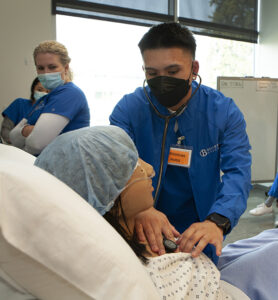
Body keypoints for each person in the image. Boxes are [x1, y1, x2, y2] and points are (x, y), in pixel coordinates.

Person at [35, 126, 278, 300]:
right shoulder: (121, 268)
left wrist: (217, 221)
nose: (149, 168)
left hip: (215, 273)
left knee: (269, 238)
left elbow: (238, 168)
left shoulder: (124, 230)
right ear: (104, 187)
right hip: (229, 290)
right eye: (133, 164)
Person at [109, 22, 252, 264]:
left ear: (193, 68)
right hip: (142, 219)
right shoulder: (129, 109)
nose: (162, 81)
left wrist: (217, 220)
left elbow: (237, 172)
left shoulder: (223, 112)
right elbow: (114, 164)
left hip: (200, 222)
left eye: (173, 71)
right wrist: (140, 210)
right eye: (152, 74)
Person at [9, 40, 90, 155]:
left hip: (60, 167)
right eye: (41, 68)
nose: (46, 73)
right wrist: (31, 131)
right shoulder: (44, 99)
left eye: (52, 67)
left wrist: (26, 130)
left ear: (66, 68)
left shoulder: (70, 94)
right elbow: (13, 137)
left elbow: (36, 144)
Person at [1, 77, 48, 144]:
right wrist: (17, 145)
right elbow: (5, 130)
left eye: (48, 92)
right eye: (40, 90)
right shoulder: (19, 103)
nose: (43, 93)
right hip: (13, 148)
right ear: (33, 90)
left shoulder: (50, 113)